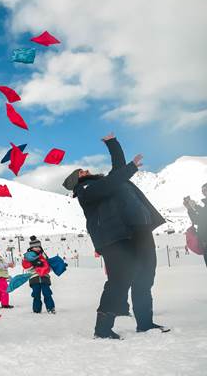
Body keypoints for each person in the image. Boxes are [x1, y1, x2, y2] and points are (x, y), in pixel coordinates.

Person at [62, 133, 168, 339]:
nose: (87, 170)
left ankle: (145, 323)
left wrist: (112, 143)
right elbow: (112, 181)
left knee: (145, 277)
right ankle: (102, 328)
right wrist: (131, 168)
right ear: (77, 180)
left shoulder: (105, 181)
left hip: (137, 229)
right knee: (119, 280)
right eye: (82, 171)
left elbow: (117, 169)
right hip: (114, 238)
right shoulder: (85, 189)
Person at [22, 237, 55, 314]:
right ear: (31, 248)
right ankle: (36, 310)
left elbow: (48, 266)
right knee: (36, 294)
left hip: (44, 277)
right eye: (35, 247)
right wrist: (34, 264)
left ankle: (51, 308)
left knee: (47, 293)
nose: (37, 248)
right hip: (34, 278)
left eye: (38, 247)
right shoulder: (28, 256)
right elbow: (26, 267)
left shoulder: (43, 255)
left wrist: (57, 266)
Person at [183, 183, 207, 266]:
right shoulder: (205, 206)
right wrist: (190, 208)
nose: (204, 192)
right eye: (203, 191)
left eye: (206, 190)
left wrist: (195, 207)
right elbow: (198, 220)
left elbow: (202, 219)